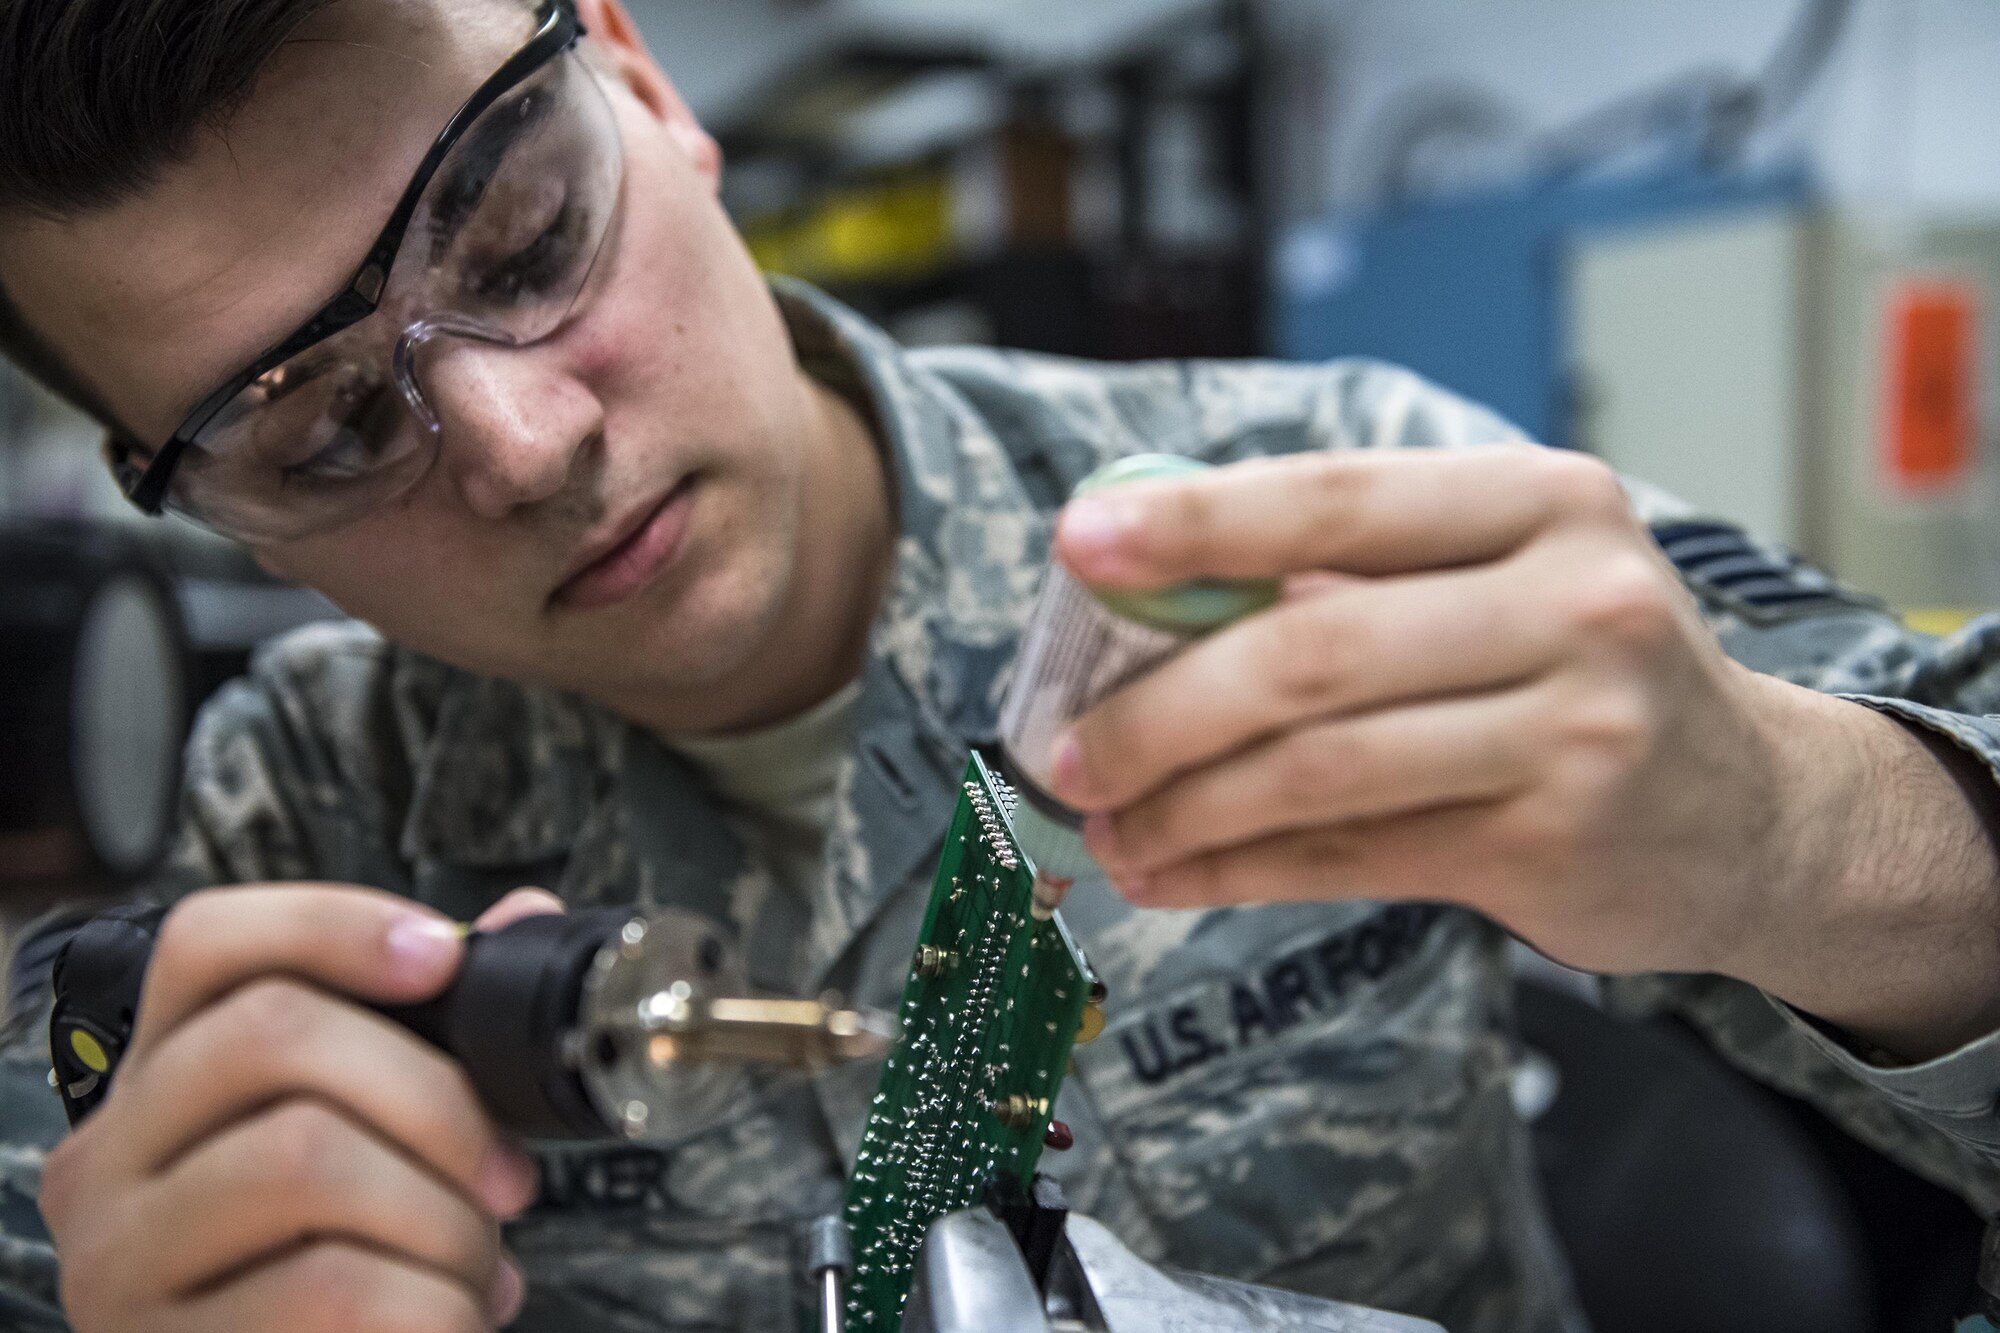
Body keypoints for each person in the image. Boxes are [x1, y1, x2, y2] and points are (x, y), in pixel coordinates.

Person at [2, 1, 1999, 1329]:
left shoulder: (1307, 503)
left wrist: (1787, 829)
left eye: (519, 237)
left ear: (639, 80)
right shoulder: (305, 833)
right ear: (175, 495)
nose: (526, 449)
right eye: (330, 434)